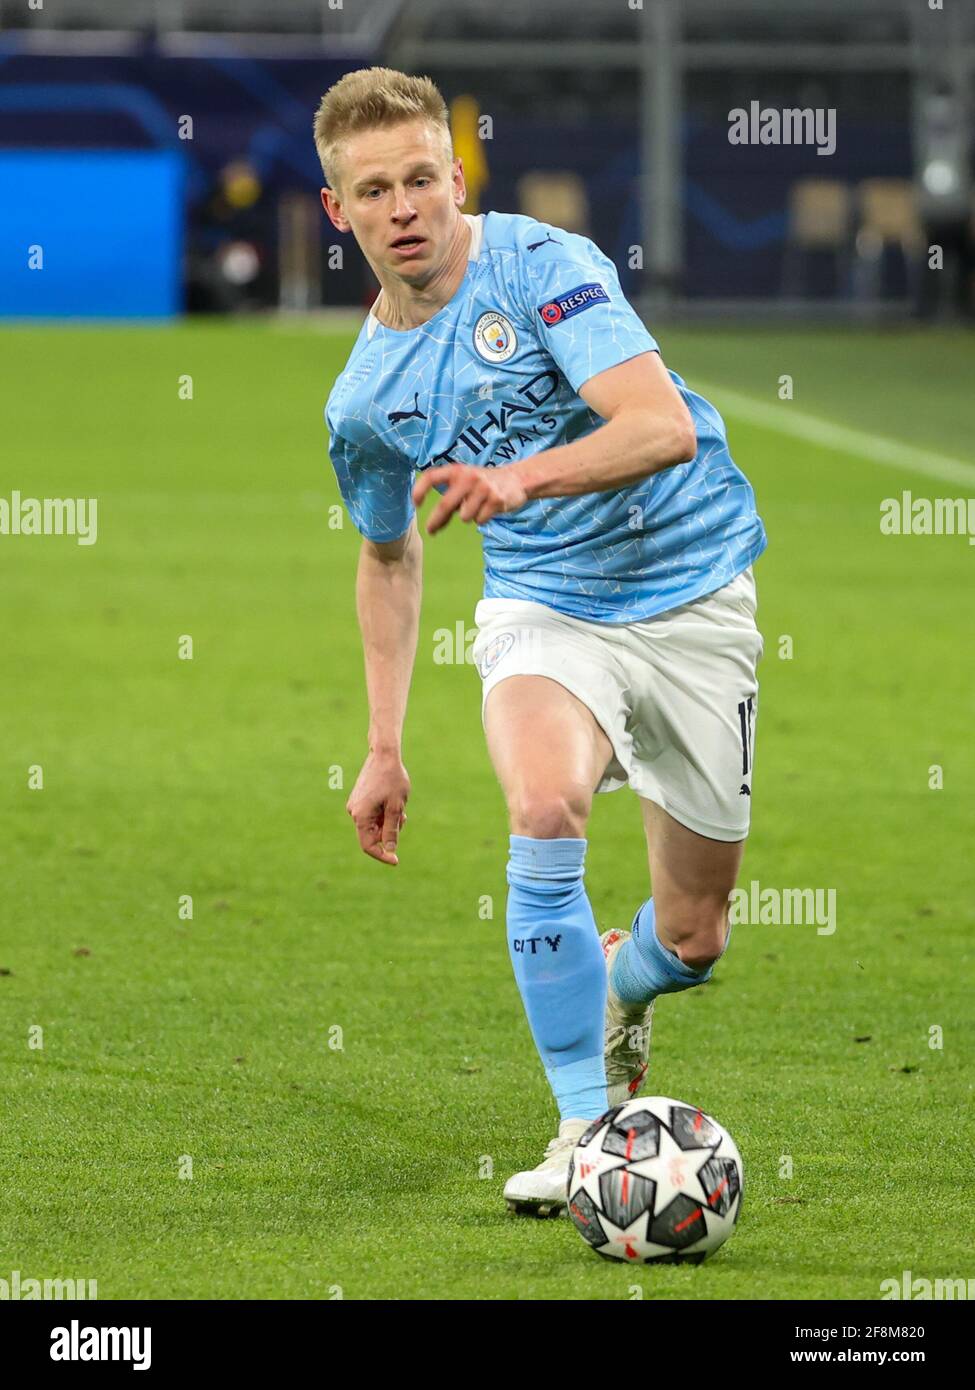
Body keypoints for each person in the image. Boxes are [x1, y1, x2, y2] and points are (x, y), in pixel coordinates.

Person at [315, 67, 767, 1215]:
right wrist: (382, 742)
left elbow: (659, 425)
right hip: (544, 609)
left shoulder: (544, 265)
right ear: (340, 212)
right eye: (376, 190)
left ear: (455, 178)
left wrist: (519, 477)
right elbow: (387, 554)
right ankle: (583, 1124)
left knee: (697, 935)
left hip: (695, 595)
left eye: (423, 178)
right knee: (545, 804)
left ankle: (623, 987)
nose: (405, 206)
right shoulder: (367, 400)